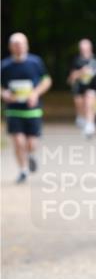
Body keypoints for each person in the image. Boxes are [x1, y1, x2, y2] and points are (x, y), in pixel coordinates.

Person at [1, 32, 52, 183]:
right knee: (18, 141)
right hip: (13, 109)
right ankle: (23, 170)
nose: (19, 47)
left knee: (31, 143)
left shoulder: (35, 62)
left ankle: (31, 155)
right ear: (10, 47)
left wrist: (35, 93)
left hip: (32, 110)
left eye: (22, 44)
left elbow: (47, 80)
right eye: (16, 44)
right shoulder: (5, 65)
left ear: (27, 45)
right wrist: (4, 93)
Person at [67, 39, 96, 136]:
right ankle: (81, 117)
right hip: (79, 85)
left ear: (90, 48)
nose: (84, 50)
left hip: (92, 86)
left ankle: (90, 123)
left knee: (89, 104)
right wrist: (81, 72)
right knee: (79, 103)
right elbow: (71, 76)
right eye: (82, 48)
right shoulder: (76, 60)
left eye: (86, 48)